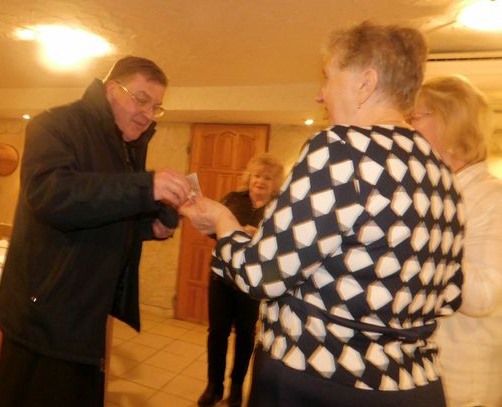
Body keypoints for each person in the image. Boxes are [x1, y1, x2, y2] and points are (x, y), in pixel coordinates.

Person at [181, 22, 465, 407]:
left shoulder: (342, 149)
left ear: (365, 83)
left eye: (328, 77)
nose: (320, 94)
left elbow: (262, 275)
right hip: (415, 388)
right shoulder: (442, 175)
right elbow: (449, 295)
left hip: (319, 381)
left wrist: (222, 222)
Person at [0, 56, 192, 407]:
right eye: (141, 99)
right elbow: (53, 196)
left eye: (156, 107)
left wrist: (148, 227)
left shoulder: (123, 145)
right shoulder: (54, 125)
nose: (148, 114)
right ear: (112, 89)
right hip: (45, 316)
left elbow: (101, 213)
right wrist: (146, 186)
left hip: (86, 313)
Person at [411, 75, 502, 407]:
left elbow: (483, 296)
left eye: (416, 116)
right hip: (424, 371)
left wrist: (423, 238)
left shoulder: (492, 198)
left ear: (450, 124)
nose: (407, 127)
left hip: (463, 380)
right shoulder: (435, 194)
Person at [198, 153, 284, 407]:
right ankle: (214, 387)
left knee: (245, 335)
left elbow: (282, 246)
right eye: (257, 175)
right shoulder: (233, 200)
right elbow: (213, 230)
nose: (260, 181)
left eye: (267, 178)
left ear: (275, 183)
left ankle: (236, 389)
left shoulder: (280, 209)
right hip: (222, 277)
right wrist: (227, 231)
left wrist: (259, 237)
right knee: (217, 332)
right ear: (249, 177)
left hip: (252, 282)